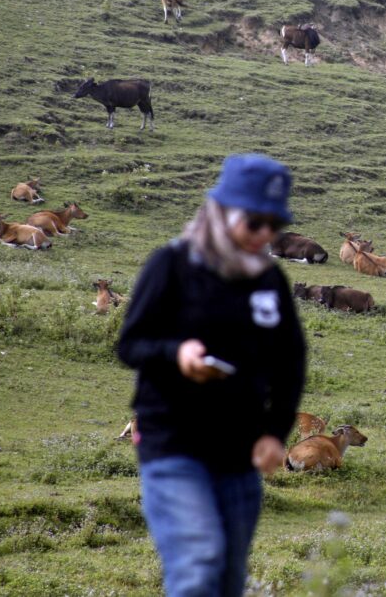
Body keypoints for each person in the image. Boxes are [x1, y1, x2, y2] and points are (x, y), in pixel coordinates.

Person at [118, 154, 306, 597]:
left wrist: (275, 432)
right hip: (173, 445)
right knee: (199, 565)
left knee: (226, 579)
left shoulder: (269, 280)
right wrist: (176, 352)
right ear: (222, 212)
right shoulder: (172, 265)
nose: (264, 235)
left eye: (273, 225)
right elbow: (131, 343)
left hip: (239, 452)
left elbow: (291, 359)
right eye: (254, 222)